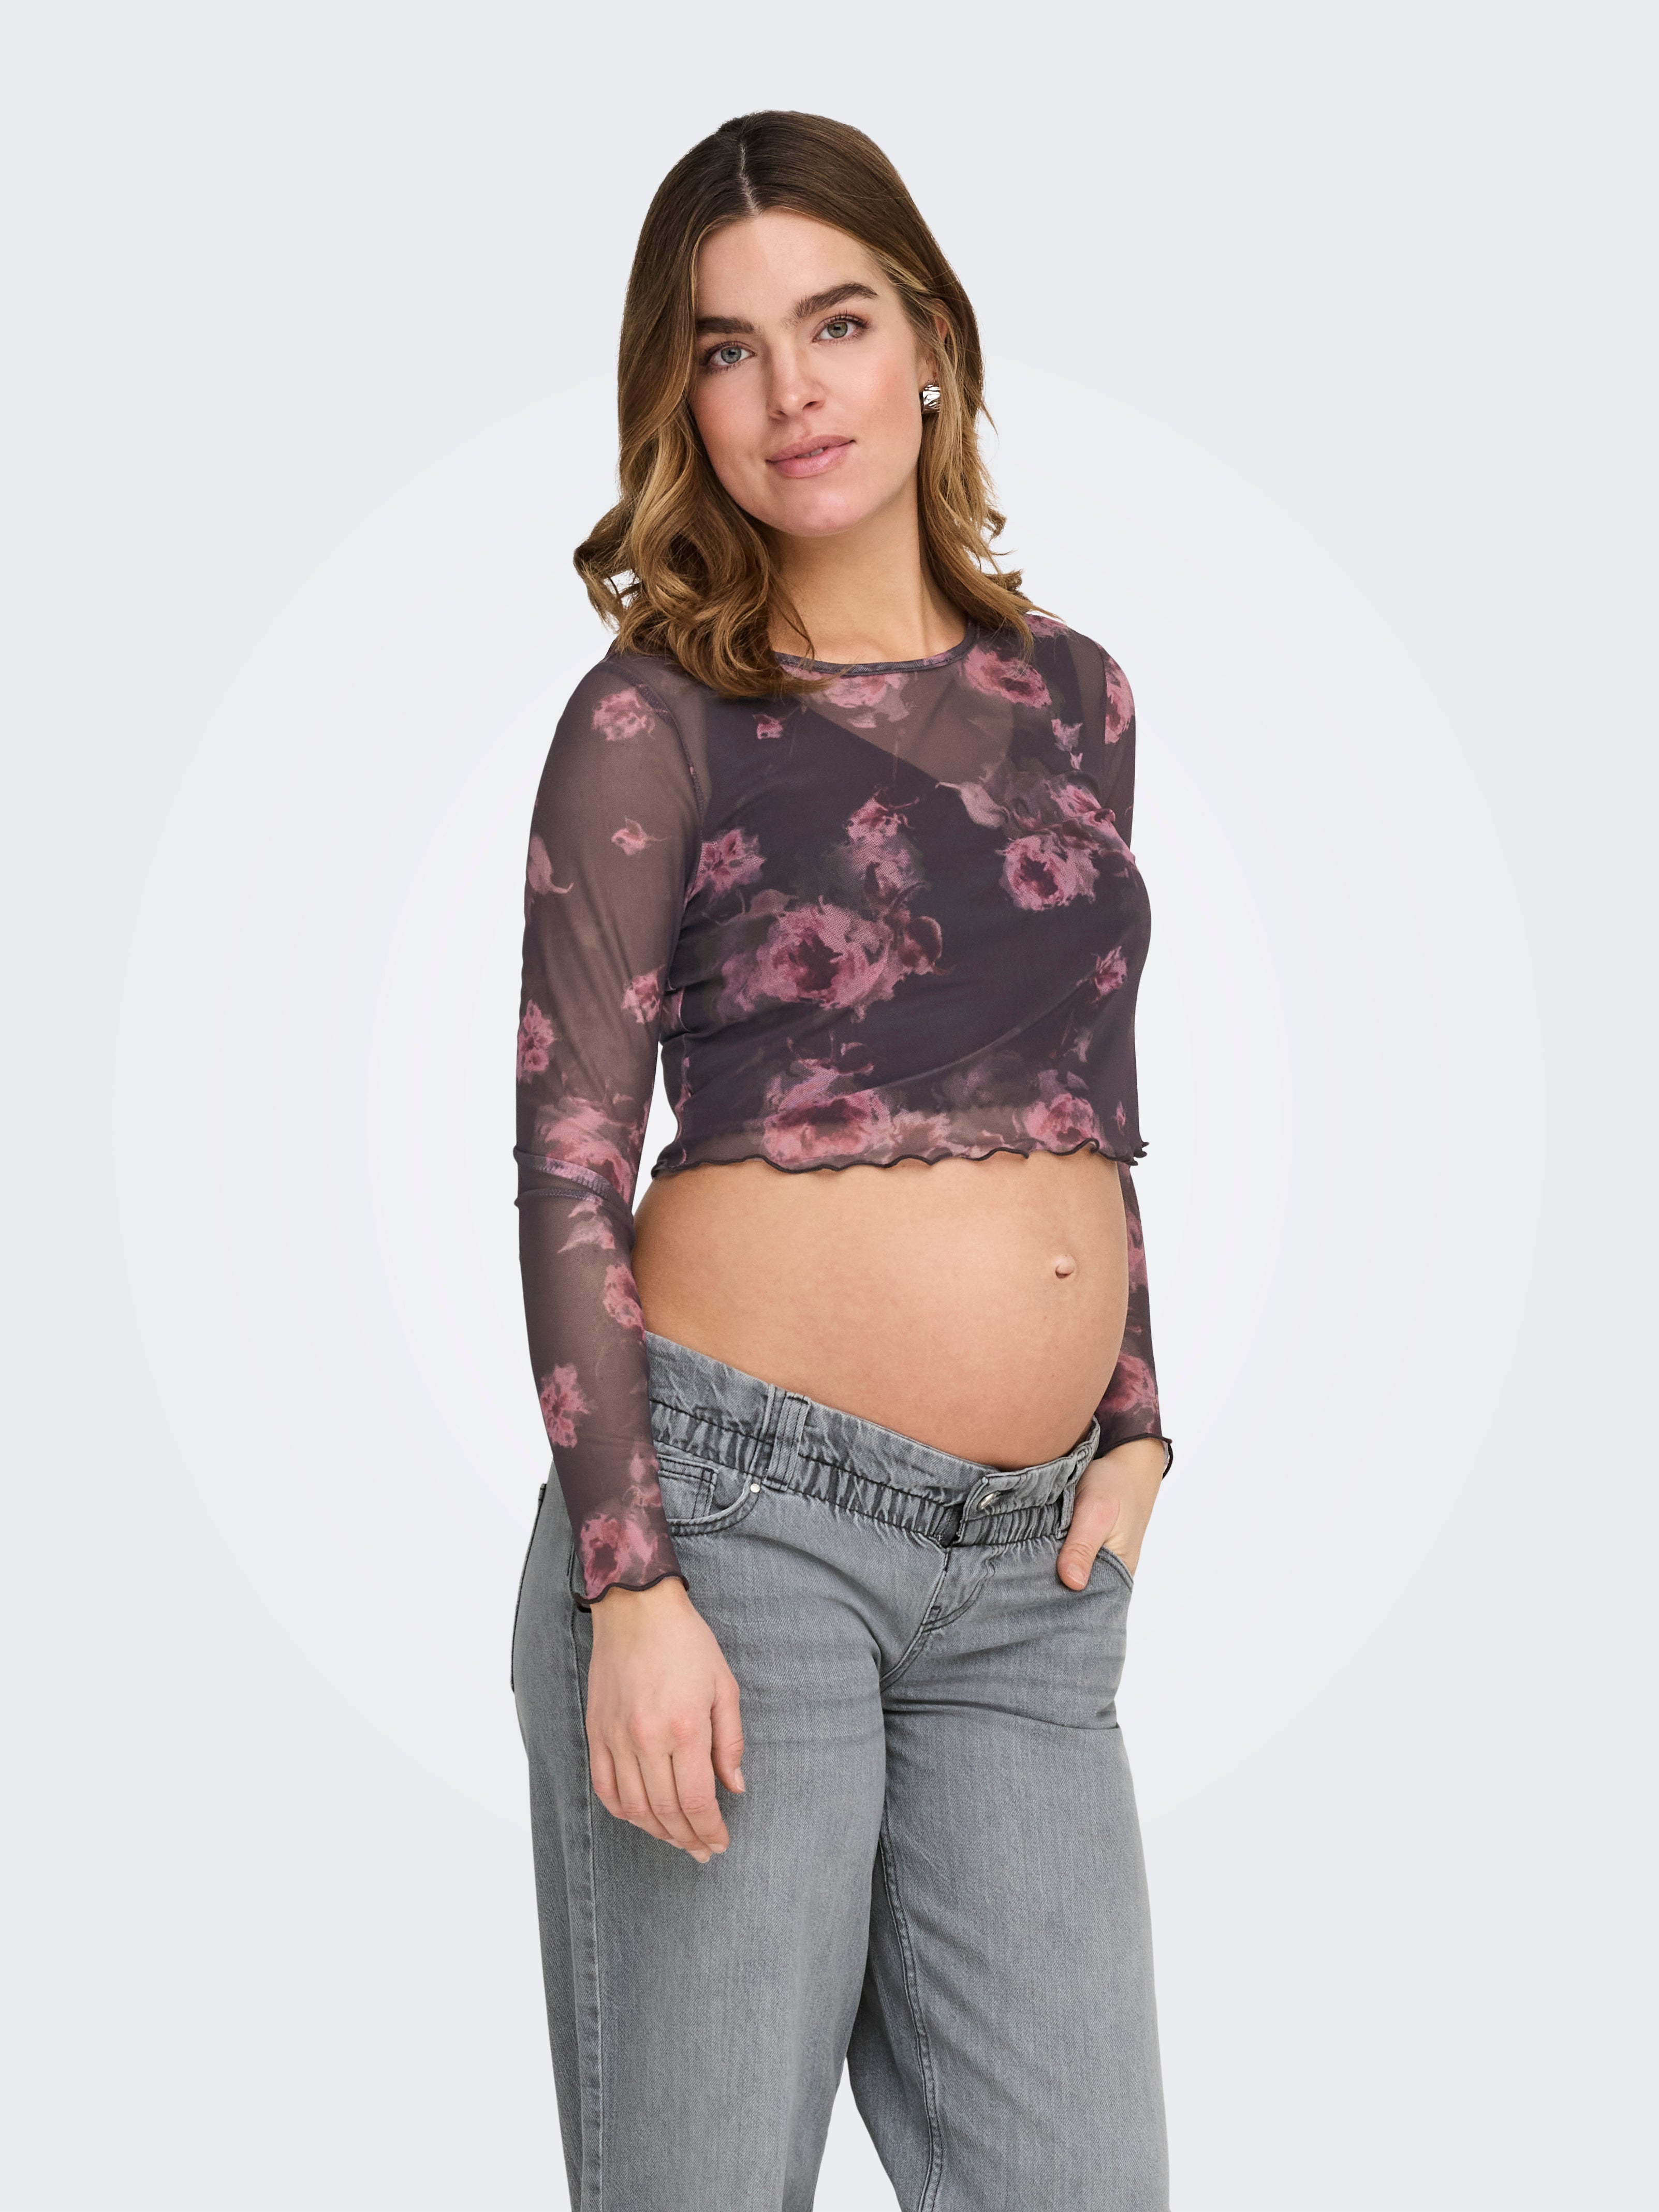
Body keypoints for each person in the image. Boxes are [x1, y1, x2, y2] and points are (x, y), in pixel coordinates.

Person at [510, 109, 1172, 2212]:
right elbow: (565, 1157)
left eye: (837, 321)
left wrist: (1137, 1420)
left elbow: (1089, 1091)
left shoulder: (1080, 698)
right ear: (680, 399)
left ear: (931, 344)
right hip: (736, 1536)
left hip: (1027, 1589)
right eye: (727, 348)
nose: (790, 389)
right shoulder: (656, 720)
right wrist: (631, 1582)